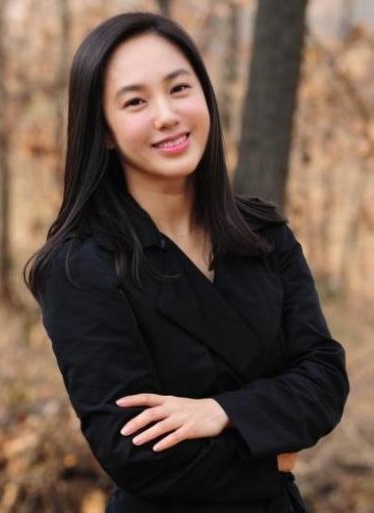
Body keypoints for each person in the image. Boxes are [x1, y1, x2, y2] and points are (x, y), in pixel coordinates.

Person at [25, 11, 349, 513]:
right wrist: (273, 457)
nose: (166, 115)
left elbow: (324, 378)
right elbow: (133, 452)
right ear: (104, 131)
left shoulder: (263, 234)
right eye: (135, 101)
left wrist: (223, 411)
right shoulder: (80, 267)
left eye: (179, 89)